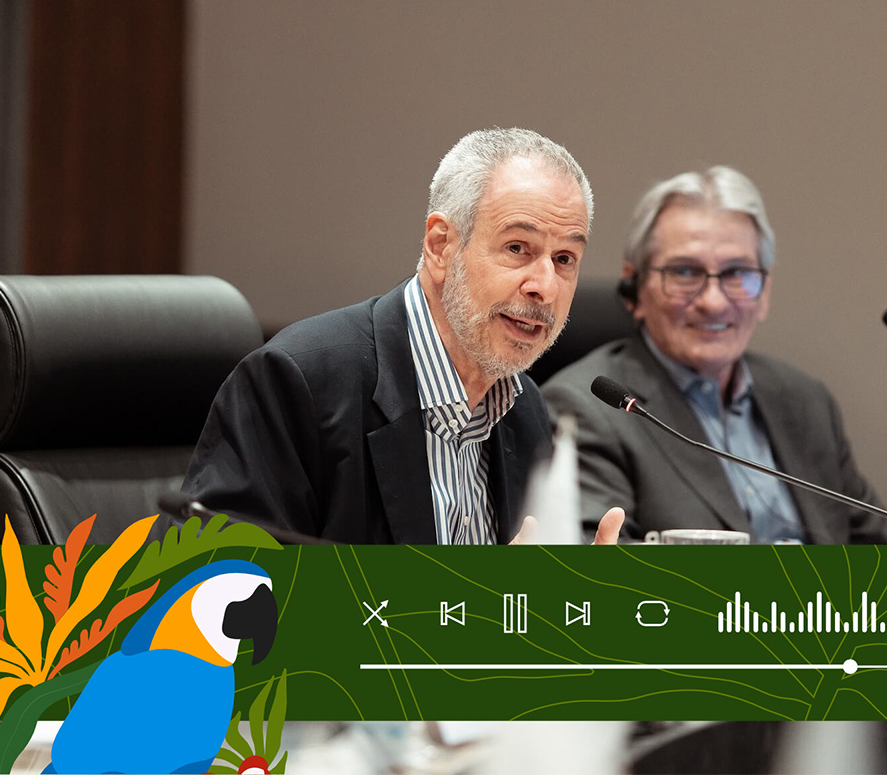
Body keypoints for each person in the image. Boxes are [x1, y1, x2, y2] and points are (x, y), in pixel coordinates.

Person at [183, 128, 623, 544]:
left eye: (565, 258)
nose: (544, 285)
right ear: (440, 246)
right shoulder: (297, 383)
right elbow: (216, 592)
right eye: (517, 248)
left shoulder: (522, 408)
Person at [542, 166, 887, 544]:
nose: (713, 302)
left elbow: (884, 556)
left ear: (764, 292)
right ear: (634, 289)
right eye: (684, 272)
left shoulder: (805, 402)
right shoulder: (585, 410)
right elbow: (603, 570)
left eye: (737, 273)